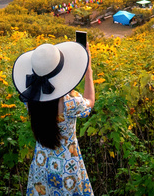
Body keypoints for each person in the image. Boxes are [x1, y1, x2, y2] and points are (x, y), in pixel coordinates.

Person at [12, 41, 96, 196]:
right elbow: (89, 103)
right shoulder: (70, 102)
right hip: (67, 169)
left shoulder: (29, 98)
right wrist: (88, 69)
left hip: (41, 164)